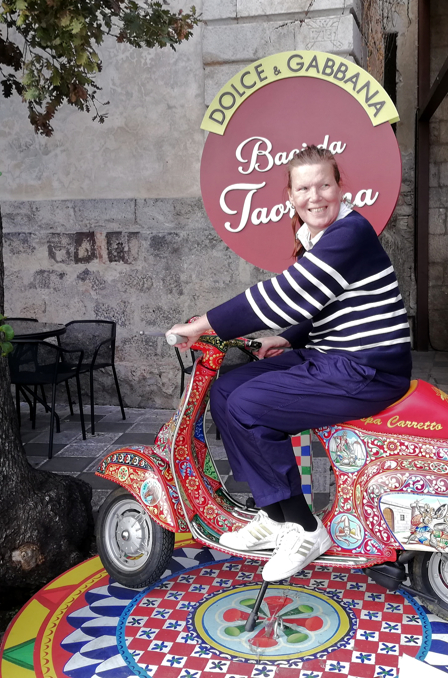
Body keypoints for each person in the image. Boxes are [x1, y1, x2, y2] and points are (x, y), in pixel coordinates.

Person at [167, 145, 412, 582]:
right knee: (225, 391)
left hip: (366, 369)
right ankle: (274, 514)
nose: (315, 196)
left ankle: (303, 527)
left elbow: (289, 293)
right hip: (331, 357)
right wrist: (286, 337)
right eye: (304, 188)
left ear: (340, 188)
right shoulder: (321, 238)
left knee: (249, 406)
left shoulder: (350, 233)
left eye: (324, 185)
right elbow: (323, 305)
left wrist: (205, 325)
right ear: (290, 196)